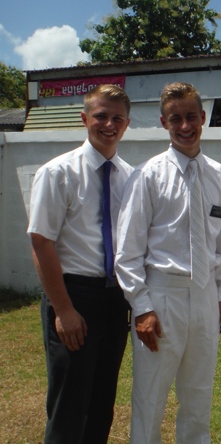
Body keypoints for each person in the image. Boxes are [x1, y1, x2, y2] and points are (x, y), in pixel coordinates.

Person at [115, 82, 221, 443]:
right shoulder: (148, 175)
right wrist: (142, 308)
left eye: (191, 117)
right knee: (150, 396)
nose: (185, 126)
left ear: (203, 117)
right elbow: (127, 251)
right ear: (164, 122)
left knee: (199, 395)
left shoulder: (218, 174)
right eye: (175, 118)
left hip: (204, 297)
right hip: (162, 296)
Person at [27, 84, 132, 443]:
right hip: (74, 295)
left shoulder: (130, 177)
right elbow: (41, 242)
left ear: (127, 124)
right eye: (101, 116)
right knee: (69, 403)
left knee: (102, 402)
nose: (109, 124)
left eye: (117, 118)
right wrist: (64, 310)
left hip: (115, 300)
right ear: (84, 118)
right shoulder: (58, 172)